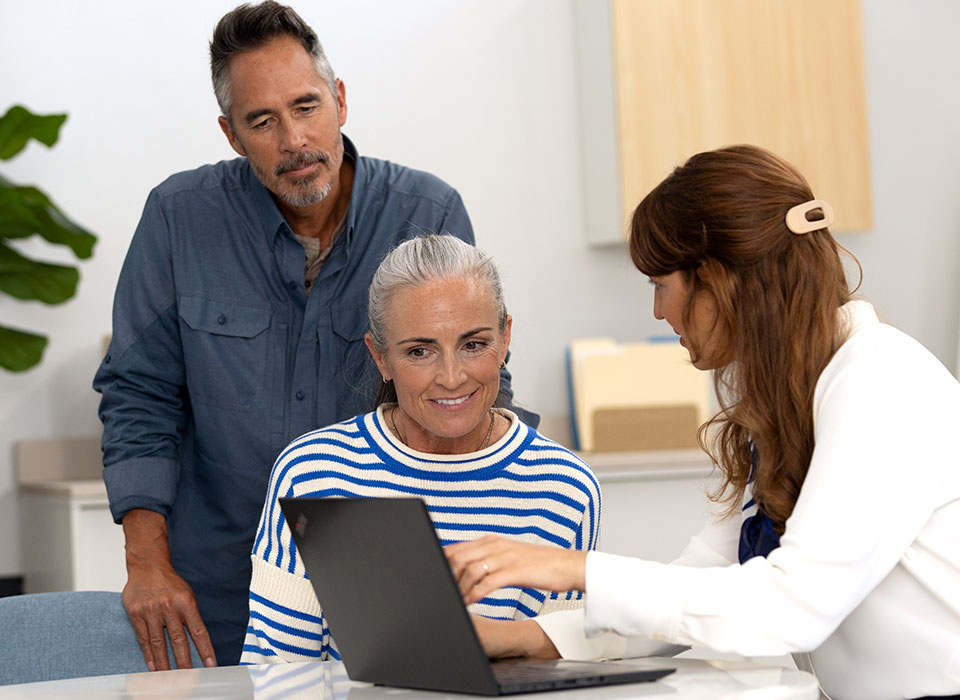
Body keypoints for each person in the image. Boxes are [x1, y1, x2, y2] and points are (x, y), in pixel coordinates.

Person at [92, 1, 536, 671]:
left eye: (306, 106)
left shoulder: (426, 211)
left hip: (390, 584)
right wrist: (146, 563)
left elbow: (474, 385)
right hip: (214, 591)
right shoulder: (179, 218)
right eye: (262, 121)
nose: (294, 140)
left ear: (340, 100)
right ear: (231, 135)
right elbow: (138, 396)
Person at [447, 145, 960, 700]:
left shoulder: (881, 381)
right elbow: (700, 584)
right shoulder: (799, 394)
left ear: (715, 279)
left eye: (659, 284)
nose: (658, 311)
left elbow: (792, 607)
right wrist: (522, 637)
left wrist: (576, 569)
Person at [240, 235, 601, 664]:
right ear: (380, 357)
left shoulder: (565, 487)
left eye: (473, 345)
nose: (451, 377)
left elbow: (564, 674)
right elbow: (277, 673)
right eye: (419, 351)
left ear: (505, 338)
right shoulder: (311, 472)